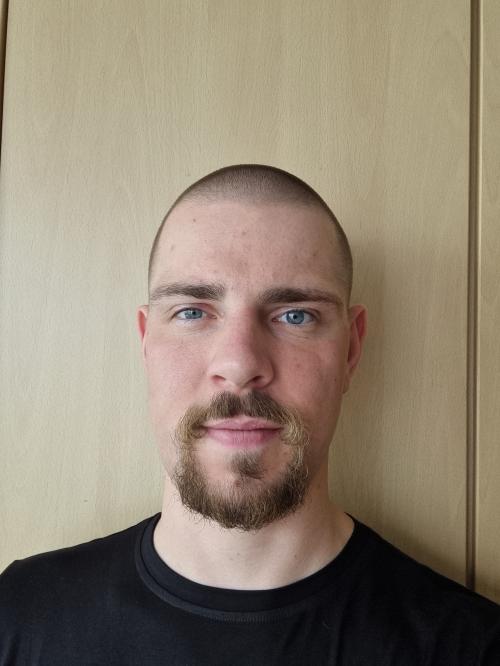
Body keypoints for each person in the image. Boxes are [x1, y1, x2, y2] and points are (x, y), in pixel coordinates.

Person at [1, 164, 499, 665]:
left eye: (295, 315)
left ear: (351, 350)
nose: (240, 366)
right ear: (147, 342)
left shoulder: (472, 648)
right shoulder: (17, 617)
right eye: (192, 312)